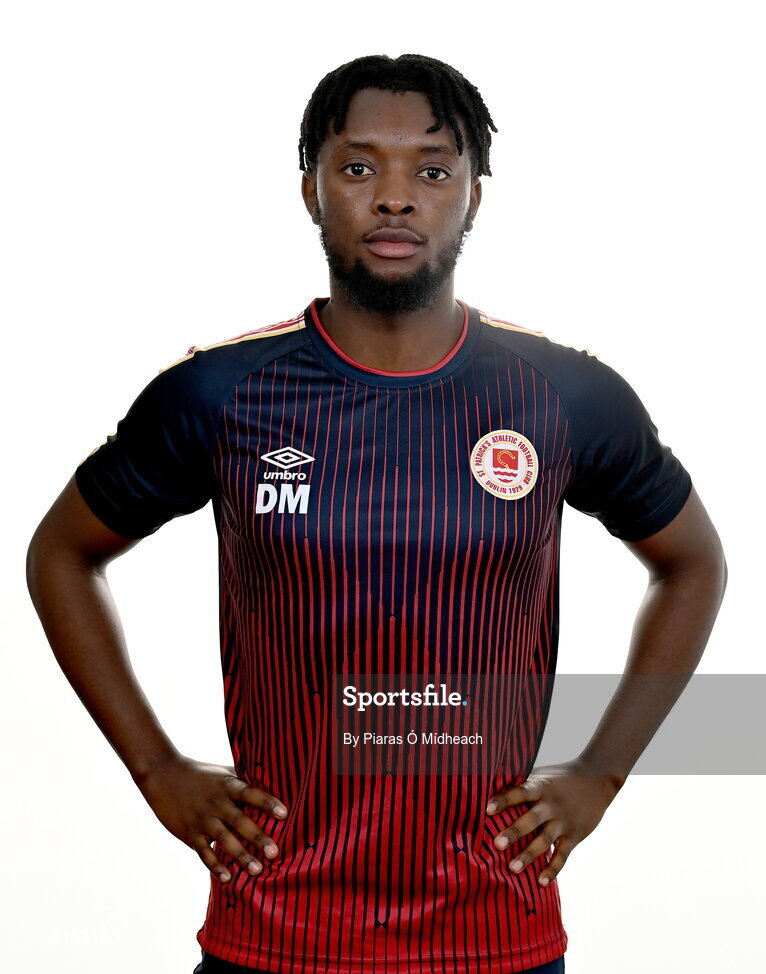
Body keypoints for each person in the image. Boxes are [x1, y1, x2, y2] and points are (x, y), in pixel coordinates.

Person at [26, 53, 727, 974]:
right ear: (311, 190)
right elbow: (62, 554)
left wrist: (601, 773)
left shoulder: (562, 395)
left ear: (474, 196)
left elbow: (692, 563)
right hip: (274, 934)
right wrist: (158, 770)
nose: (395, 197)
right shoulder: (221, 393)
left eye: (432, 170)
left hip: (496, 935)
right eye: (359, 167)